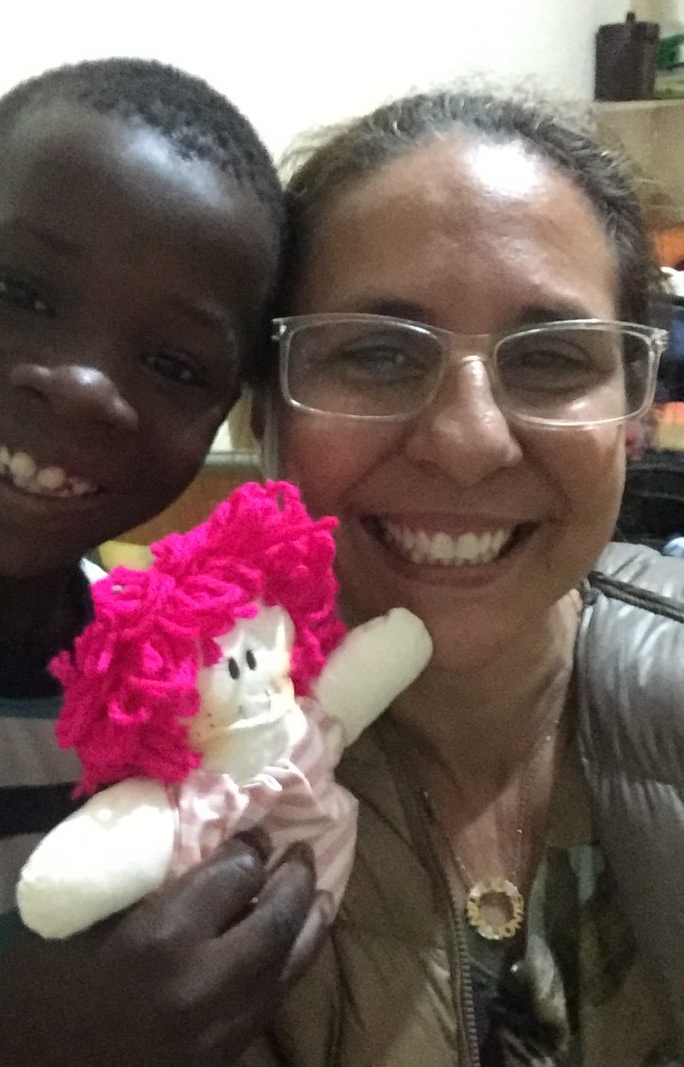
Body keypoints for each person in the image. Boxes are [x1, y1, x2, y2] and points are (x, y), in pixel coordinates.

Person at [0, 58, 325, 1063]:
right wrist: (8, 1039)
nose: (82, 386)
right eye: (18, 290)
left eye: (173, 364)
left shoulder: (174, 680)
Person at [245, 90, 684, 1065]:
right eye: (376, 353)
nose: (467, 441)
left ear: (633, 415)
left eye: (552, 358)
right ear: (261, 408)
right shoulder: (169, 773)